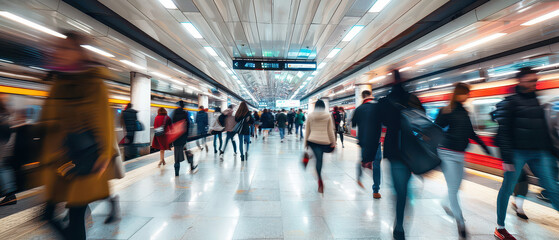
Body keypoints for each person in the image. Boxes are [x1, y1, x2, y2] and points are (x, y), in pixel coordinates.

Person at [39, 31, 117, 240]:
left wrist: (105, 155)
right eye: (59, 47)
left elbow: (104, 121)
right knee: (48, 216)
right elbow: (48, 120)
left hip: (86, 159)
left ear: (79, 52)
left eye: (67, 48)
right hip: (60, 160)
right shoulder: (58, 82)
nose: (60, 52)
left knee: (74, 214)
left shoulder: (94, 83)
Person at [493, 67, 559, 240]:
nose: (533, 85)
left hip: (540, 152)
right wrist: (506, 157)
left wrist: (554, 152)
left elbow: (544, 130)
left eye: (535, 81)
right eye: (530, 81)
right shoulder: (511, 102)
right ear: (520, 81)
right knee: (507, 188)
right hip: (517, 152)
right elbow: (504, 131)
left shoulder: (537, 101)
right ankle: (500, 227)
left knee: (552, 187)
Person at [367, 69, 425, 240]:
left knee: (399, 191)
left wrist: (368, 156)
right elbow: (424, 125)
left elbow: (374, 130)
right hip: (413, 151)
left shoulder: (384, 102)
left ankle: (399, 225)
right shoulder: (414, 100)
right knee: (405, 190)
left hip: (394, 151)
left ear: (391, 83)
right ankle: (401, 220)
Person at [434, 83, 491, 239]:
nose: (468, 96)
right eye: (466, 93)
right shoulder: (446, 111)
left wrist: (484, 145)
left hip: (460, 154)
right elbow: (435, 130)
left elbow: (470, 132)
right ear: (459, 94)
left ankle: (444, 203)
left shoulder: (465, 112)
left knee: (458, 186)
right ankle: (460, 223)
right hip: (446, 153)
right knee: (454, 189)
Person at [352, 90, 383, 199]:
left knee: (364, 159)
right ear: (371, 96)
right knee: (377, 165)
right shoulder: (378, 108)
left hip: (364, 142)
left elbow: (353, 124)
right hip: (376, 142)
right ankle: (376, 190)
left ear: (362, 97)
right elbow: (384, 123)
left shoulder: (359, 109)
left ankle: (360, 175)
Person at [305, 100, 336, 193]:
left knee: (315, 155)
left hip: (312, 140)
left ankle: (308, 158)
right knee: (319, 160)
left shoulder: (310, 115)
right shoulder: (328, 116)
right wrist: (333, 142)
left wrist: (305, 144)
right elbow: (331, 130)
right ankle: (319, 179)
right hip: (324, 141)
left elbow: (307, 130)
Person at [171, 101, 196, 176]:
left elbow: (172, 124)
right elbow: (188, 125)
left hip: (175, 137)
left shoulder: (174, 113)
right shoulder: (185, 113)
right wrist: (187, 135)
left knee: (176, 155)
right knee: (187, 151)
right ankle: (191, 165)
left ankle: (176, 171)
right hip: (183, 137)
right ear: (183, 106)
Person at [0, 95, 16, 206]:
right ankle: (10, 194)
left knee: (2, 168)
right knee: (3, 167)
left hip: (1, 142)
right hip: (6, 142)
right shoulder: (6, 113)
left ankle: (10, 195)